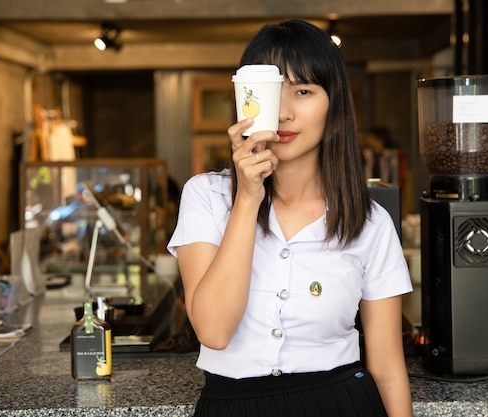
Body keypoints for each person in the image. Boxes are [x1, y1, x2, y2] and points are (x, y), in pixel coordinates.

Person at [168, 18, 413, 417]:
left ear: (333, 102)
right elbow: (213, 331)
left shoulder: (368, 222)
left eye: (303, 91)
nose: (282, 113)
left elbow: (387, 368)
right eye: (267, 93)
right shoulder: (207, 196)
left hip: (341, 403)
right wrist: (247, 199)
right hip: (232, 405)